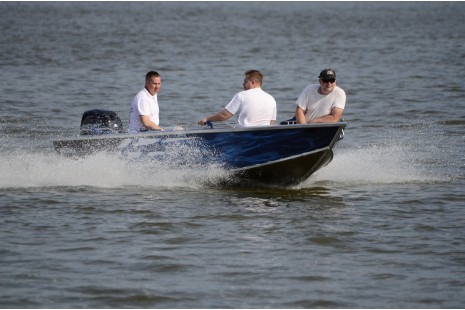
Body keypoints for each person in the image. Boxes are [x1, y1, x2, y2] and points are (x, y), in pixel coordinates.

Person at [198, 70, 277, 127]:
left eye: (245, 81)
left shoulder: (241, 95)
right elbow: (272, 123)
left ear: (253, 82)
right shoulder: (271, 99)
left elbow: (224, 116)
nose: (243, 84)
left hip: (244, 135)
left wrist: (207, 119)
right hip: (265, 135)